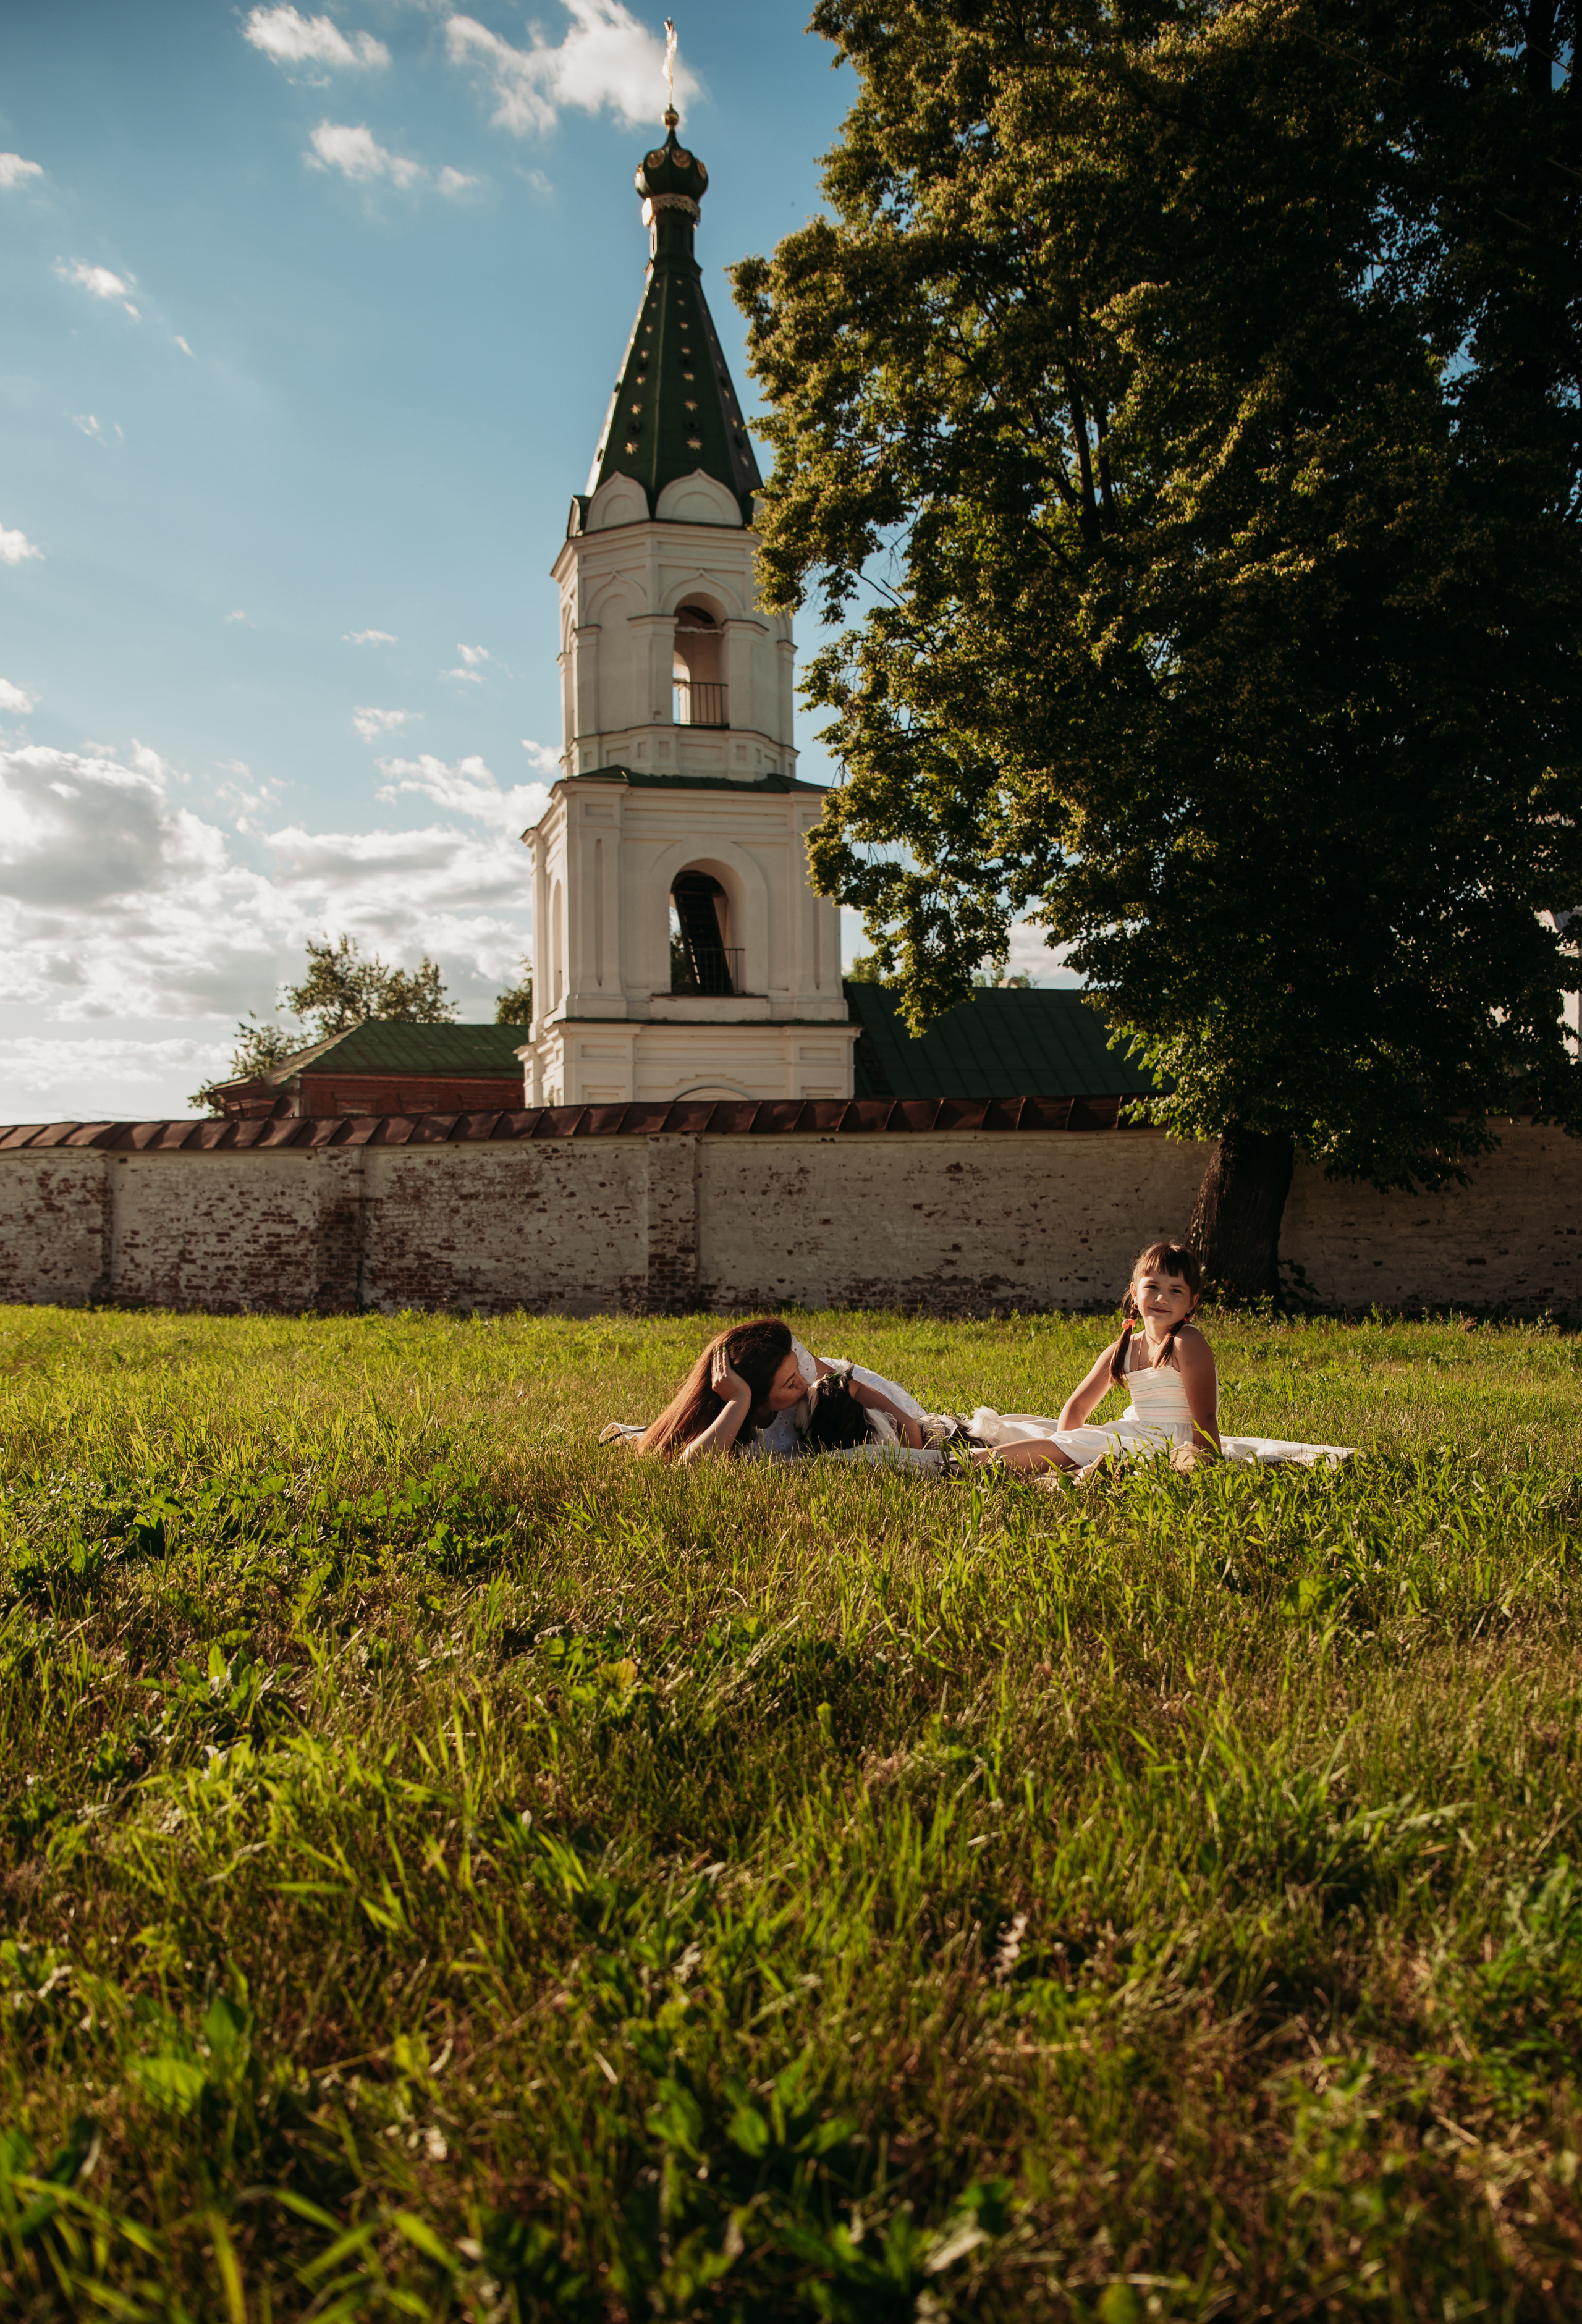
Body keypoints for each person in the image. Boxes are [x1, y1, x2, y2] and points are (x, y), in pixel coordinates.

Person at [971, 1241, 1350, 1477]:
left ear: (1192, 1302)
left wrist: (1202, 1457)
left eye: (1175, 1290)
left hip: (1171, 1439)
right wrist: (1069, 1441)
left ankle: (957, 1469)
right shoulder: (1125, 1346)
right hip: (1133, 1433)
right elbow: (1078, 1405)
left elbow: (1206, 1417)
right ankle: (961, 1465)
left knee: (1075, 1448)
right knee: (1064, 1444)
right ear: (1135, 1292)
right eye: (1152, 1287)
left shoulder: (1187, 1341)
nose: (1161, 1298)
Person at [632, 1319, 930, 1467]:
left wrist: (912, 1447)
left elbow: (847, 1385)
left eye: (798, 1371)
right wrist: (739, 1400)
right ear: (758, 1400)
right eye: (790, 1384)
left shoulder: (811, 1384)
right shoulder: (739, 1415)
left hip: (851, 1402)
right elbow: (693, 1468)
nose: (804, 1384)